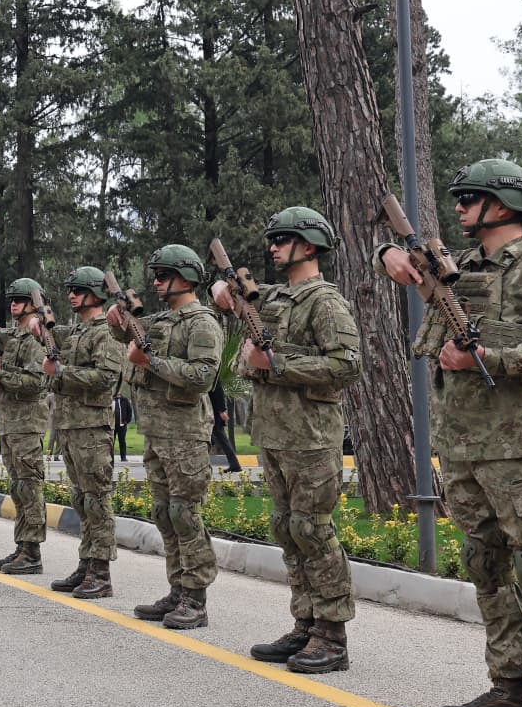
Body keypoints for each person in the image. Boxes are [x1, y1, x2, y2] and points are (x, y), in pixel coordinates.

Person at [378, 160, 522, 707]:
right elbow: (413, 276)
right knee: (487, 565)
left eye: (468, 197)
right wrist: (387, 257)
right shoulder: (465, 268)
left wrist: (491, 356)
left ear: (502, 204)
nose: (458, 208)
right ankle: (508, 684)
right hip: (467, 447)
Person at [214, 207, 360, 674]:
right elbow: (246, 364)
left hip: (312, 437)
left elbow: (345, 365)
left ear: (310, 246)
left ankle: (332, 634)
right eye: (273, 239)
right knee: (286, 528)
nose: (273, 247)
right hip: (274, 434)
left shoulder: (326, 303)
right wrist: (255, 360)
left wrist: (278, 364)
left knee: (313, 530)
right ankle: (305, 622)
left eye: (283, 239)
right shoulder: (273, 300)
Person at [110, 246, 222, 629]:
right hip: (158, 431)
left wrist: (151, 362)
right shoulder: (163, 320)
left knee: (185, 514)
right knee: (164, 513)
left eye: (162, 275)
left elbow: (202, 376)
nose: (156, 282)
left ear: (185, 279)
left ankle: (195, 596)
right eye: (155, 276)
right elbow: (132, 336)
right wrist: (116, 321)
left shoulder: (201, 323)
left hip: (186, 432)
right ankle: (177, 588)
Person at [44, 267, 124, 599]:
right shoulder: (78, 331)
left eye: (77, 290)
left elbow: (106, 377)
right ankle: (87, 562)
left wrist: (61, 372)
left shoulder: (105, 333)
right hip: (71, 425)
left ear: (94, 294)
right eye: (70, 289)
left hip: (92, 427)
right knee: (81, 498)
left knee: (96, 499)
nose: (71, 295)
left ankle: (101, 571)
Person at [0, 279, 50, 574]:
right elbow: (2, 336)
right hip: (12, 424)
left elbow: (36, 383)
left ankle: (32, 552)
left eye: (20, 300)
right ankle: (22, 546)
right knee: (18, 488)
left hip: (27, 423)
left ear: (34, 303)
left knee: (30, 488)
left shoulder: (36, 339)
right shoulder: (19, 336)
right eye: (11, 299)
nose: (13, 304)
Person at [209, 380, 242, 473]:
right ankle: (235, 464)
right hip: (211, 411)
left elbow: (218, 391)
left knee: (221, 439)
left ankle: (235, 464)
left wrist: (222, 410)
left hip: (213, 412)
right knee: (219, 439)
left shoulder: (212, 373)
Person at [112, 393, 133, 463]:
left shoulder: (125, 400)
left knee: (122, 441)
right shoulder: (111, 399)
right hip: (112, 426)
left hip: (122, 425)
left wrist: (127, 421)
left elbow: (129, 411)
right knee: (111, 442)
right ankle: (110, 458)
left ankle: (123, 457)